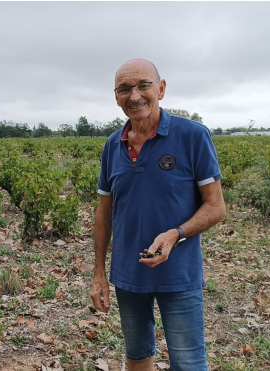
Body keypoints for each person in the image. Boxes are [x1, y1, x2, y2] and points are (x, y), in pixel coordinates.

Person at [90, 58, 226, 371]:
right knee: (137, 356)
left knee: (189, 361)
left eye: (143, 85)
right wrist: (99, 272)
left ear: (161, 89)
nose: (134, 95)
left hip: (179, 274)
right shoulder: (113, 145)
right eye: (125, 89)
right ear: (116, 97)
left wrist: (175, 234)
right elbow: (104, 212)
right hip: (128, 275)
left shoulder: (192, 136)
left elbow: (216, 207)